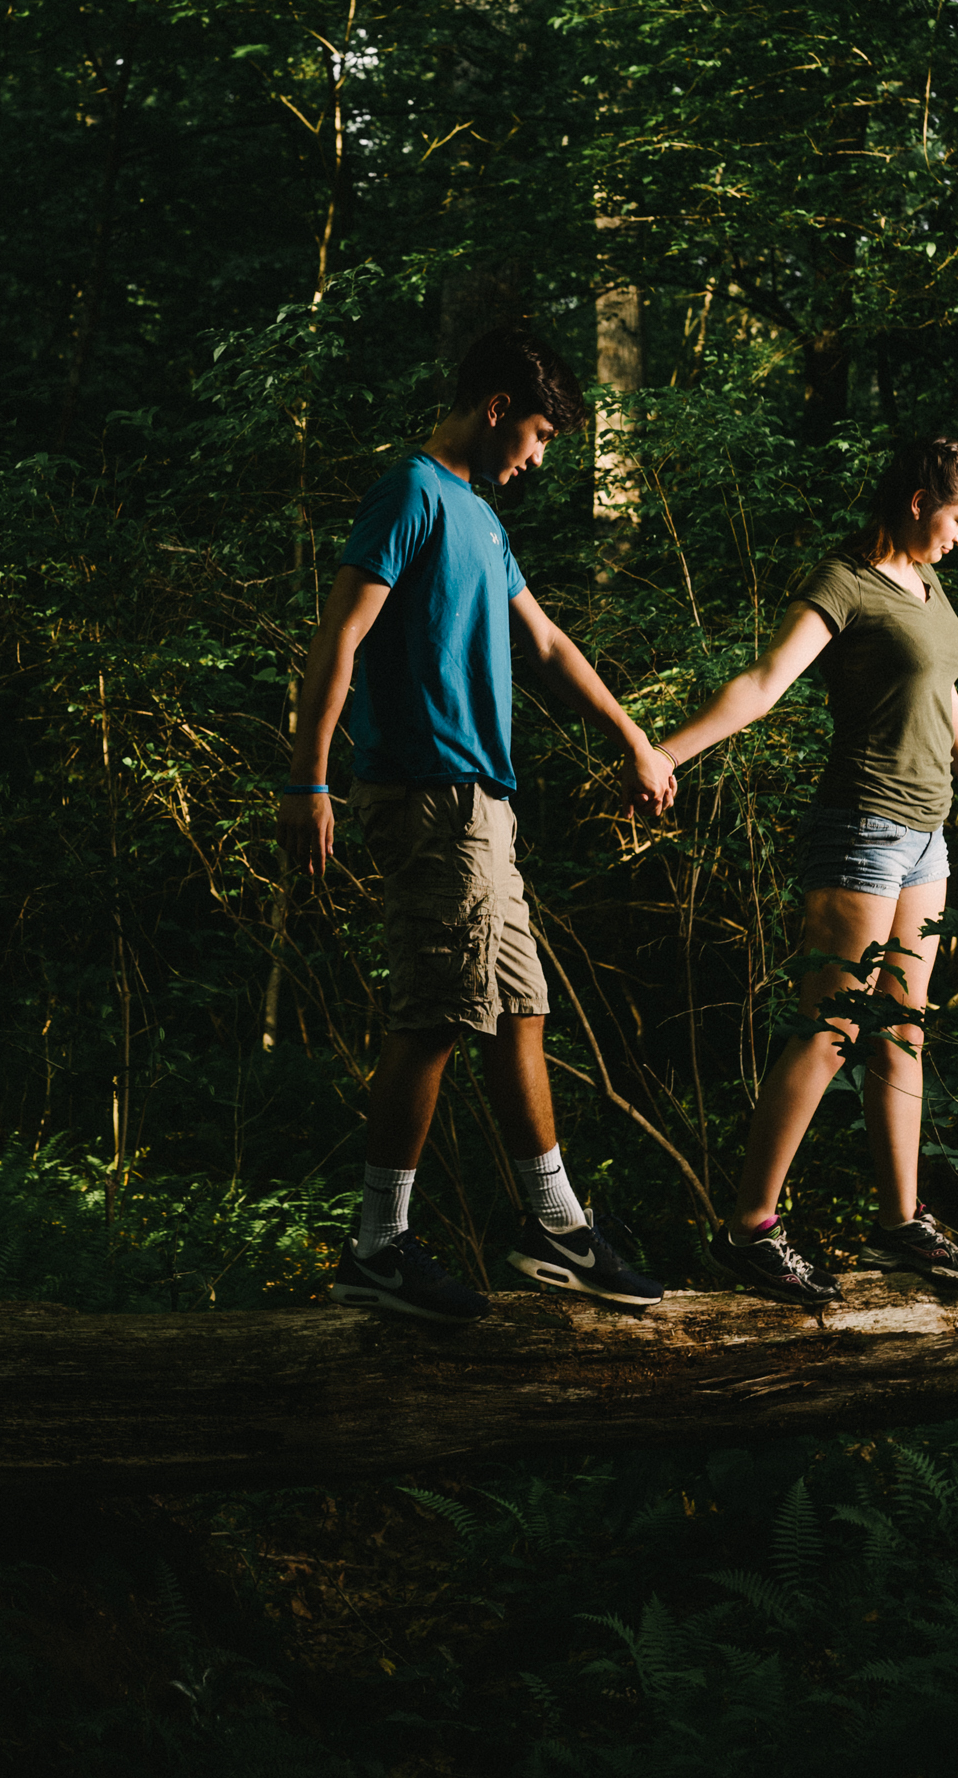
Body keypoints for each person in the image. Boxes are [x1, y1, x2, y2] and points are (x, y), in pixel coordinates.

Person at [280, 326, 679, 1322]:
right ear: (497, 406)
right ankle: (376, 1245)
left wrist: (631, 736)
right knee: (435, 1014)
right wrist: (308, 778)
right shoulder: (413, 491)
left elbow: (542, 638)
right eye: (540, 433)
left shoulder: (482, 520)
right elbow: (341, 630)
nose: (539, 457)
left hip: (482, 807)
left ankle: (554, 1225)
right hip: (426, 792)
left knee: (518, 1006)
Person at [656, 437, 958, 1305]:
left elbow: (946, 702)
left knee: (903, 1029)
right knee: (830, 1030)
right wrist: (664, 753)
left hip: (927, 836)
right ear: (914, 499)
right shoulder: (843, 582)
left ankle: (899, 1224)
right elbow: (763, 681)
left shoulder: (928, 588)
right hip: (861, 827)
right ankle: (750, 1226)